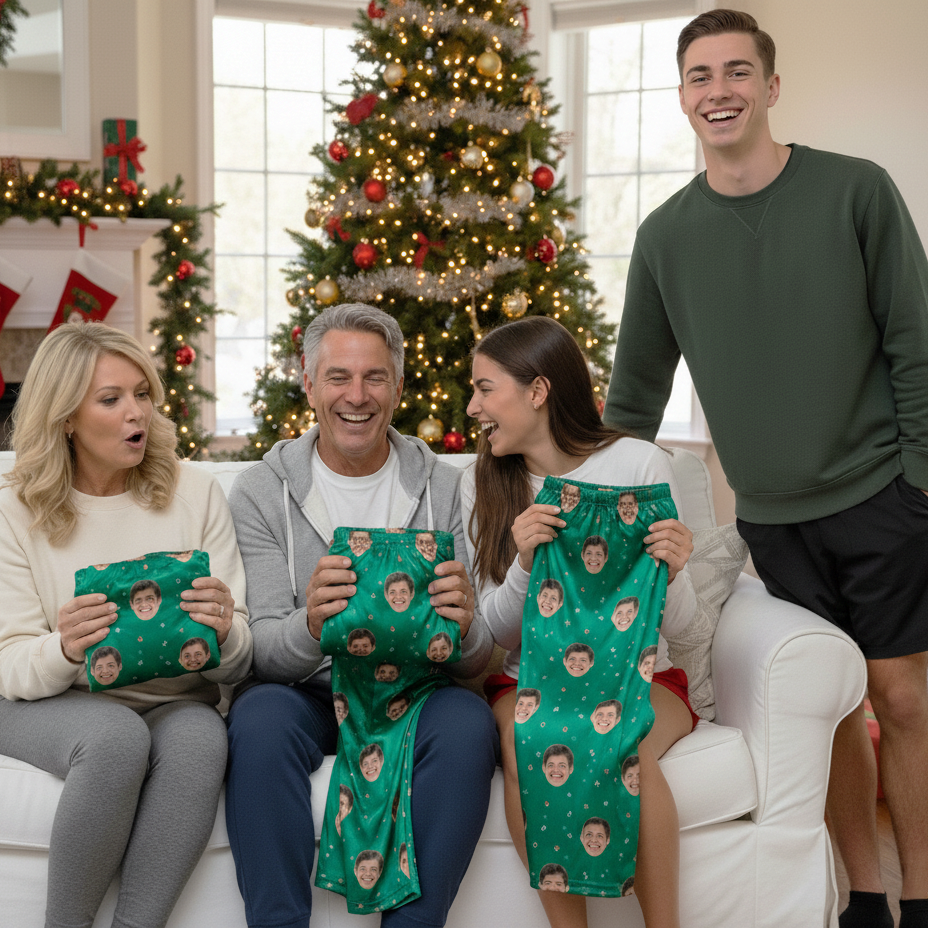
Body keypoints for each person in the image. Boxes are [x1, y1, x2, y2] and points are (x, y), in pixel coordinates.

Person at [602, 11, 928, 928]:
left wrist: (922, 484)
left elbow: (916, 342)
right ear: (682, 98)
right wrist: (586, 504)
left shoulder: (856, 191)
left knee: (901, 696)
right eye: (700, 76)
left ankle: (924, 894)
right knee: (828, 704)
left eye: (738, 72)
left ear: (771, 87)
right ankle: (866, 897)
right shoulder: (666, 236)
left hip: (881, 497)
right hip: (772, 519)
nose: (720, 91)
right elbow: (633, 397)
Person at [224, 303, 496, 928]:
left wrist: (466, 625)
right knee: (258, 719)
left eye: (375, 377)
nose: (357, 396)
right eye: (338, 377)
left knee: (469, 725)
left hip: (420, 691)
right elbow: (263, 649)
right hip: (308, 693)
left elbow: (480, 656)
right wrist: (311, 624)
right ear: (309, 382)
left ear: (399, 386)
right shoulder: (261, 493)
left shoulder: (447, 487)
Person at [0, 319, 252, 928]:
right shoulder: (14, 504)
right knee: (116, 738)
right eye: (111, 400)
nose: (136, 412)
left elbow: (241, 654)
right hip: (46, 701)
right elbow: (8, 662)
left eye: (142, 393)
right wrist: (64, 647)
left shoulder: (194, 492)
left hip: (174, 699)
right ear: (66, 417)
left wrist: (223, 632)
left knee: (199, 738)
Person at [464, 315, 699, 928]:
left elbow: (688, 626)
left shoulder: (641, 465)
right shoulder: (486, 482)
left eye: (486, 389)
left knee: (626, 748)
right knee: (526, 741)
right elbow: (493, 634)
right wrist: (522, 565)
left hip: (639, 675)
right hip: (530, 680)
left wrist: (670, 571)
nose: (472, 406)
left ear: (537, 391)